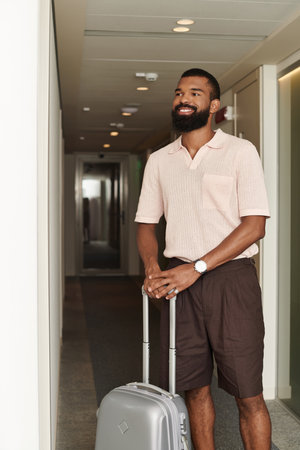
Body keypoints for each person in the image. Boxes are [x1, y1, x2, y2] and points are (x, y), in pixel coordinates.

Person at [135, 68, 271, 450]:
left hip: (231, 280)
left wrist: (197, 268)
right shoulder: (160, 160)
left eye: (195, 93)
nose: (184, 99)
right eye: (179, 92)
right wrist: (152, 268)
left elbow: (254, 226)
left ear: (213, 106)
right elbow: (146, 224)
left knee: (248, 394)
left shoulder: (241, 152)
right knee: (191, 389)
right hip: (178, 285)